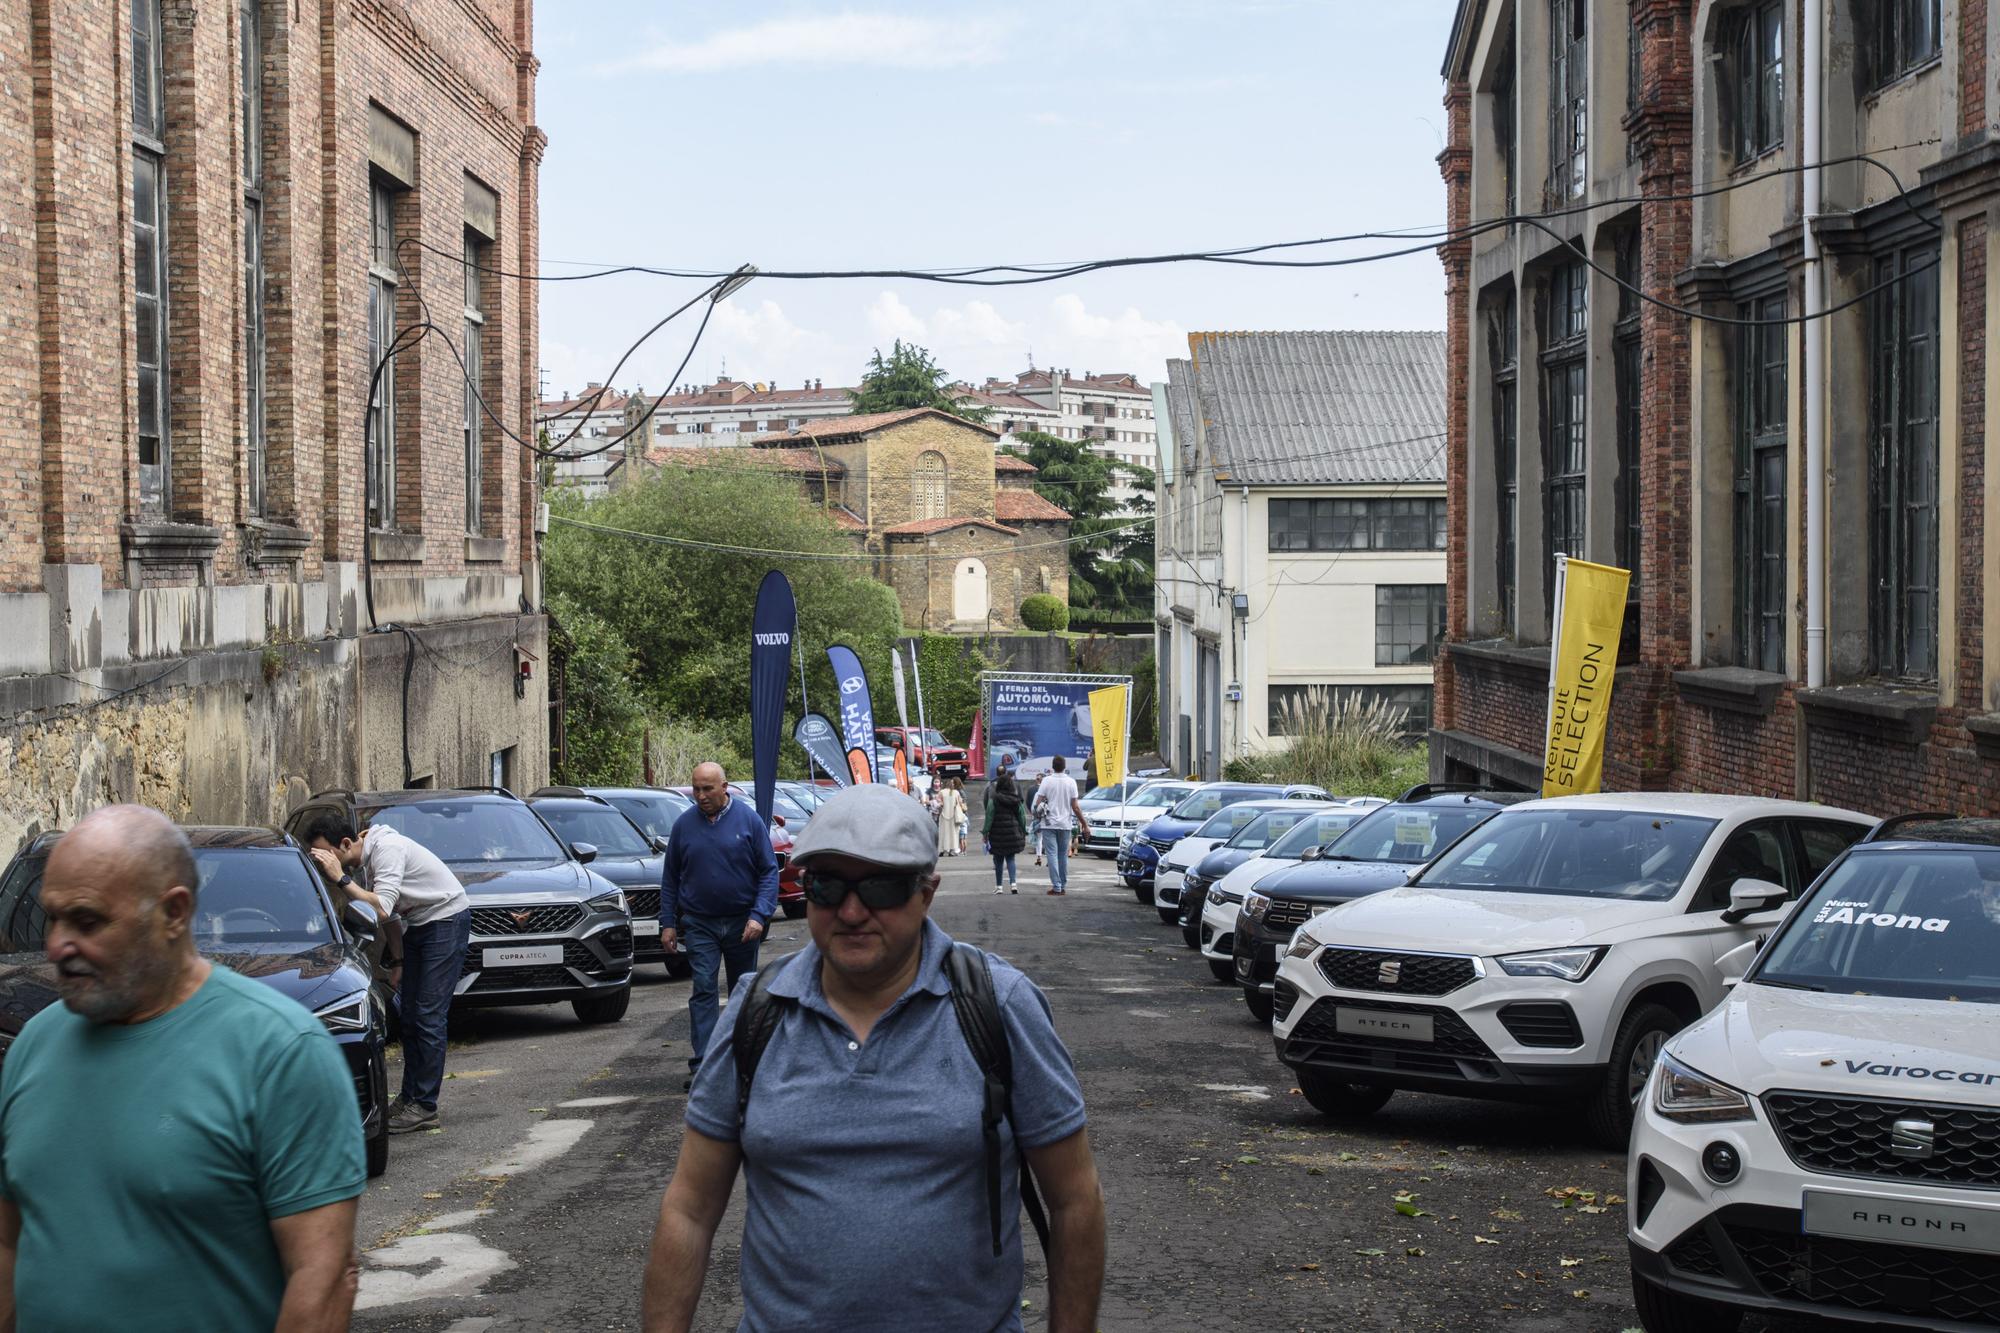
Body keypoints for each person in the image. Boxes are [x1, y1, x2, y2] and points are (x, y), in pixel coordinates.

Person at [640, 785, 1106, 1332]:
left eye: (881, 888)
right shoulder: (756, 1011)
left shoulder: (998, 1006)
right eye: (828, 886)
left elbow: (1075, 1200)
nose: (852, 911)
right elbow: (690, 1209)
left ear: (926, 893)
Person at [1, 806, 365, 1331]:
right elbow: (7, 1243)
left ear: (174, 913)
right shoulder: (34, 1045)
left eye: (87, 921)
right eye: (52, 916)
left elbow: (322, 1276)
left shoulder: (280, 1051)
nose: (57, 943)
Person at [306, 808, 473, 1134]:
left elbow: (381, 906)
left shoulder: (387, 850)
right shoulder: (366, 859)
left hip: (447, 919)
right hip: (423, 923)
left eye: (327, 855)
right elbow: (392, 916)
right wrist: (397, 962)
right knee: (408, 1013)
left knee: (427, 1014)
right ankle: (410, 1098)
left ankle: (425, 1106)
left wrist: (342, 879)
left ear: (343, 844)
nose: (326, 863)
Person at [661, 762, 779, 1090]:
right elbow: (670, 877)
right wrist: (667, 923)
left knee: (744, 993)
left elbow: (769, 871)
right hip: (700, 923)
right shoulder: (684, 826)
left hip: (744, 923)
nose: (700, 796)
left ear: (724, 786)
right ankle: (704, 1066)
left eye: (707, 789)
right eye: (696, 788)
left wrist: (759, 915)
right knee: (703, 989)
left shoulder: (749, 821)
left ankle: (744, 1061)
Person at [1032, 756, 1091, 896]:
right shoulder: (1071, 782)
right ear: (1065, 767)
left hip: (1049, 823)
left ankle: (1056, 886)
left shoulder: (1046, 781)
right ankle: (1062, 884)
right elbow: (1075, 807)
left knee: (1051, 854)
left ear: (1052, 767)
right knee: (1063, 855)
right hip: (1065, 824)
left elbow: (1038, 803)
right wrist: (1084, 824)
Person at [985, 764, 1029, 893]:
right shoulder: (1016, 800)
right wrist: (1023, 830)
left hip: (996, 833)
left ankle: (999, 887)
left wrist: (985, 832)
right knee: (1011, 858)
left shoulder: (993, 800)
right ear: (1011, 785)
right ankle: (1013, 884)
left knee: (998, 860)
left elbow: (989, 817)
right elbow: (1022, 816)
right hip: (1012, 832)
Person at [936, 778, 964, 858]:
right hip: (954, 816)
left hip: (944, 816)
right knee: (953, 834)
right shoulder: (956, 792)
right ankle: (952, 850)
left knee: (943, 833)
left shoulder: (941, 792)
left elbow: (938, 802)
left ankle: (941, 850)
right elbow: (960, 802)